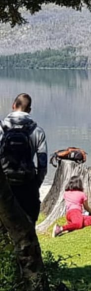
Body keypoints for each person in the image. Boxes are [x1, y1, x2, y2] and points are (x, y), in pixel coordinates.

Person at [0, 93, 47, 224]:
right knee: (29, 225)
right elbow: (42, 165)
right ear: (29, 110)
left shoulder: (1, 128)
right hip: (27, 184)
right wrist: (35, 185)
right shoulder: (37, 131)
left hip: (5, 184)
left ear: (13, 105)